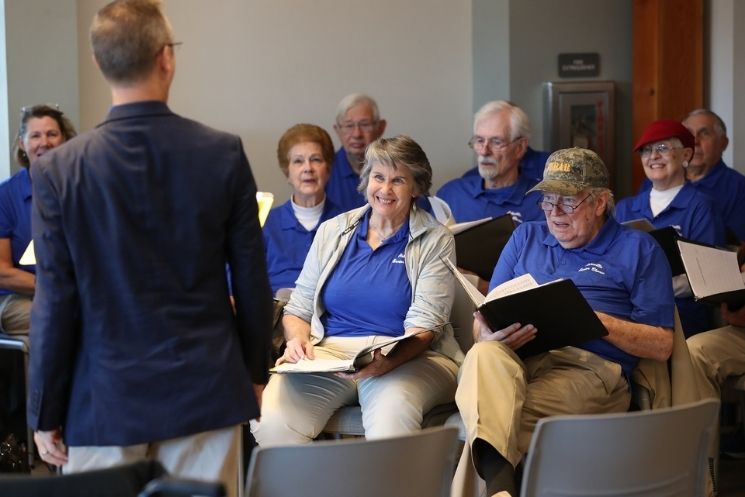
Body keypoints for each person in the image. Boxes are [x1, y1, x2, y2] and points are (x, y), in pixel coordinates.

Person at [26, 2, 272, 495]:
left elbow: (55, 300)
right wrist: (253, 373)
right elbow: (250, 279)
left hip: (103, 396)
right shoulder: (221, 152)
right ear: (166, 58)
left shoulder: (58, 169)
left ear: (99, 63)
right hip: (206, 387)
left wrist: (44, 409)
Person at [456, 148, 674, 496]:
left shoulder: (638, 249)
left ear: (599, 202)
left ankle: (498, 487)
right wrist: (488, 334)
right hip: (516, 360)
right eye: (547, 200)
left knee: (486, 421)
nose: (554, 212)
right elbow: (481, 320)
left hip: (591, 370)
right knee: (482, 356)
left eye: (568, 202)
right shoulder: (525, 237)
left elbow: (662, 345)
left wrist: (595, 319)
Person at [251, 135, 462, 445]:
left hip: (405, 357)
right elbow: (299, 307)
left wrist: (386, 362)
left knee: (391, 421)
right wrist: (296, 340)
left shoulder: (435, 239)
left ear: (416, 187)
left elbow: (425, 326)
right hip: (330, 354)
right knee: (272, 420)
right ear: (366, 181)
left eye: (398, 180)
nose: (385, 189)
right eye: (378, 177)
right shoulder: (334, 230)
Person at [615, 119, 726, 337]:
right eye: (646, 150)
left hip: (681, 315)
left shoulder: (701, 206)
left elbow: (708, 278)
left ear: (686, 155)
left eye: (662, 148)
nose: (653, 156)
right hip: (626, 308)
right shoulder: (625, 208)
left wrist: (647, 290)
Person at [0, 105, 76, 336]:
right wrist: (56, 287)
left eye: (52, 134)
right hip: (14, 299)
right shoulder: (5, 196)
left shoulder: (79, 189)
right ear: (22, 144)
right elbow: (2, 271)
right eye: (35, 135)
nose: (45, 142)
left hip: (71, 294)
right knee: (64, 319)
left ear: (64, 140)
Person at [639, 109, 745, 244]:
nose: (694, 141)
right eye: (688, 134)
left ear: (723, 143)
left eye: (704, 133)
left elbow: (740, 248)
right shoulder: (652, 183)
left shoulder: (739, 187)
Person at [263, 124, 343, 296]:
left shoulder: (348, 224)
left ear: (328, 169)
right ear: (287, 172)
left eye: (316, 159)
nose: (308, 168)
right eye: (298, 161)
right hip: (274, 317)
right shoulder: (265, 224)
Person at [436, 100, 545, 224]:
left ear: (519, 148)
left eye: (496, 142)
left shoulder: (543, 202)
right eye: (480, 140)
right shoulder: (451, 194)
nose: (484, 151)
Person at [327, 93, 388, 211]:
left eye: (365, 125)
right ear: (337, 130)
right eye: (349, 126)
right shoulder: (324, 171)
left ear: (380, 128)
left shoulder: (398, 169)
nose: (357, 134)